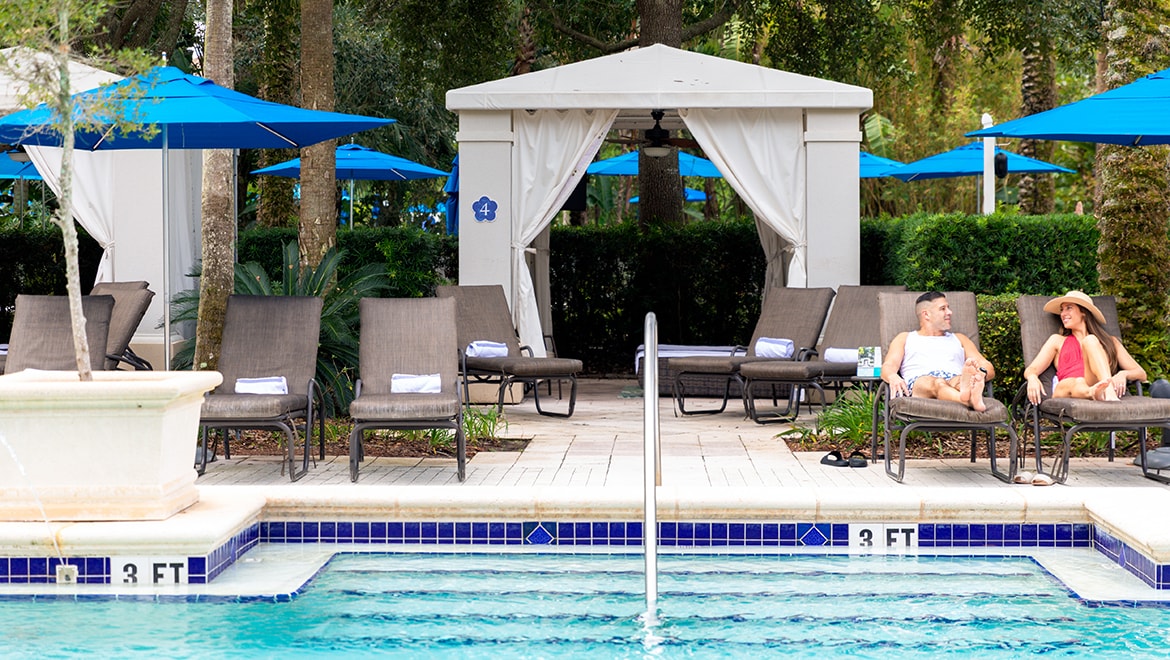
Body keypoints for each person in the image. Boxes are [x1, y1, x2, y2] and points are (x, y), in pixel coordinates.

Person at [1023, 290, 1146, 405]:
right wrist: (1032, 377)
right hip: (1066, 390)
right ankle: (1096, 393)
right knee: (1075, 382)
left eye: (1069, 308)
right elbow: (1032, 369)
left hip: (1095, 384)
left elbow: (1141, 373)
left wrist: (1123, 374)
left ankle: (1104, 391)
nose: (1063, 314)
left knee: (1090, 340)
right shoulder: (1057, 341)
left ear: (1084, 312)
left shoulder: (1110, 342)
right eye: (1062, 310)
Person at [881, 291, 995, 412]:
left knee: (959, 382)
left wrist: (979, 374)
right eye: (943, 309)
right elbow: (889, 365)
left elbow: (987, 366)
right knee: (938, 383)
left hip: (954, 380)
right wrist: (892, 376)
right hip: (920, 383)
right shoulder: (905, 338)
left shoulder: (960, 339)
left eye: (948, 308)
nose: (949, 312)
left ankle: (968, 392)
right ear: (926, 314)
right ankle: (970, 400)